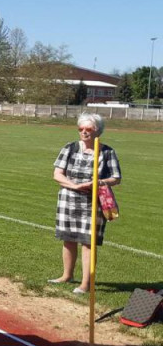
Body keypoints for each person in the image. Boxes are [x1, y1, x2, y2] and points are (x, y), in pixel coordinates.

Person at [50, 113, 122, 294]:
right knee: (68, 239)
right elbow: (57, 174)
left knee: (88, 242)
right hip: (68, 199)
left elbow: (116, 178)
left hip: (93, 203)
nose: (84, 132)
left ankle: (85, 283)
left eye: (88, 129)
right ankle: (66, 275)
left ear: (98, 131)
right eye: (80, 129)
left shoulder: (107, 152)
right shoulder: (70, 147)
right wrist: (74, 185)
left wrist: (98, 182)